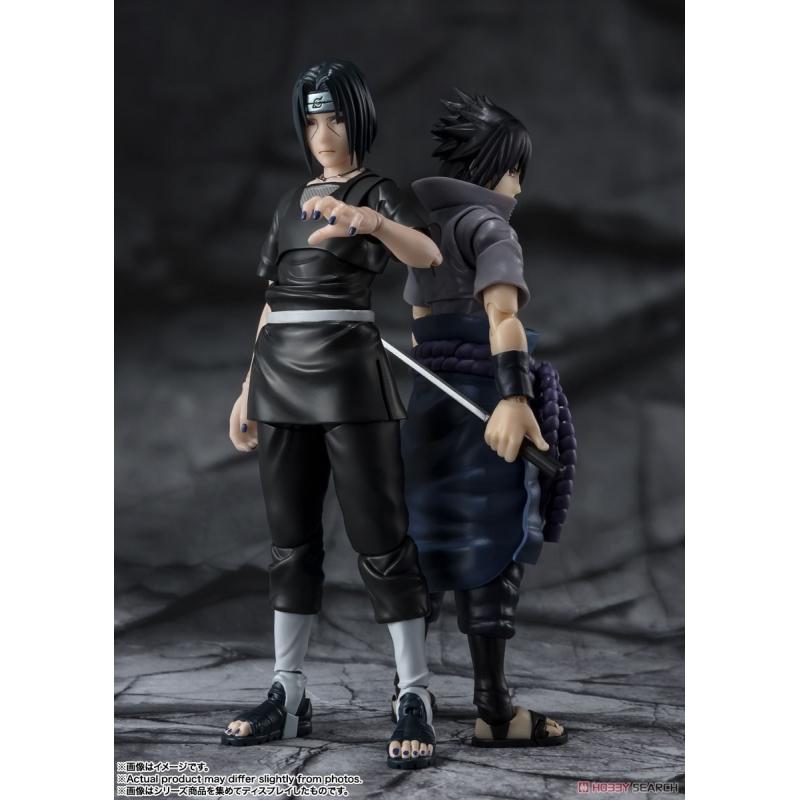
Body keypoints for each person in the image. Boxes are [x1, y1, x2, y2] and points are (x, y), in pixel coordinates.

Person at [224, 60, 441, 770]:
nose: (324, 133)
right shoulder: (290, 201)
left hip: (350, 375)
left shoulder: (378, 191)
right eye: (313, 119)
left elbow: (428, 254)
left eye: (336, 117)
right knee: (290, 540)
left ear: (359, 119)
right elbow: (274, 298)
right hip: (280, 376)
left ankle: (414, 691)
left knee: (381, 536)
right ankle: (287, 690)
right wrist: (247, 386)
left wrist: (368, 221)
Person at [401, 89, 569, 747]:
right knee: (490, 542)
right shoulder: (491, 228)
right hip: (482, 399)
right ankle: (494, 711)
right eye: (516, 171)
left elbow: (420, 323)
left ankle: (409, 697)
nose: (519, 188)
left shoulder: (427, 232)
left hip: (427, 406)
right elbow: (504, 317)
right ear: (502, 168)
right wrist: (515, 397)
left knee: (426, 541)